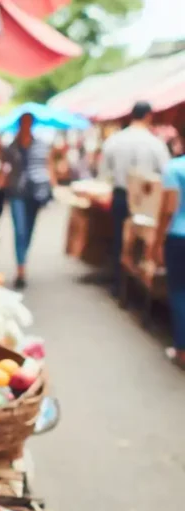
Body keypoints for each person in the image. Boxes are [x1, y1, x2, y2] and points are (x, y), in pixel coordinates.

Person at [99, 101, 171, 289]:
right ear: (148, 116)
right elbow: (166, 174)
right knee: (143, 244)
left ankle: (119, 284)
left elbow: (104, 173)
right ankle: (137, 286)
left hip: (121, 197)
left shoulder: (114, 141)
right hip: (148, 201)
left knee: (120, 240)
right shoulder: (156, 144)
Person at [2, 112, 53, 290]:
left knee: (29, 230)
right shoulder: (11, 147)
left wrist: (51, 189)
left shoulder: (41, 145)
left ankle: (23, 259)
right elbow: (5, 169)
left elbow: (48, 166)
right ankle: (21, 269)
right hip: (17, 191)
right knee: (20, 230)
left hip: (36, 192)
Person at [150, 154, 185, 369]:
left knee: (180, 292)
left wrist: (157, 241)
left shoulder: (174, 167)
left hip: (178, 236)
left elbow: (169, 208)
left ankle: (182, 349)